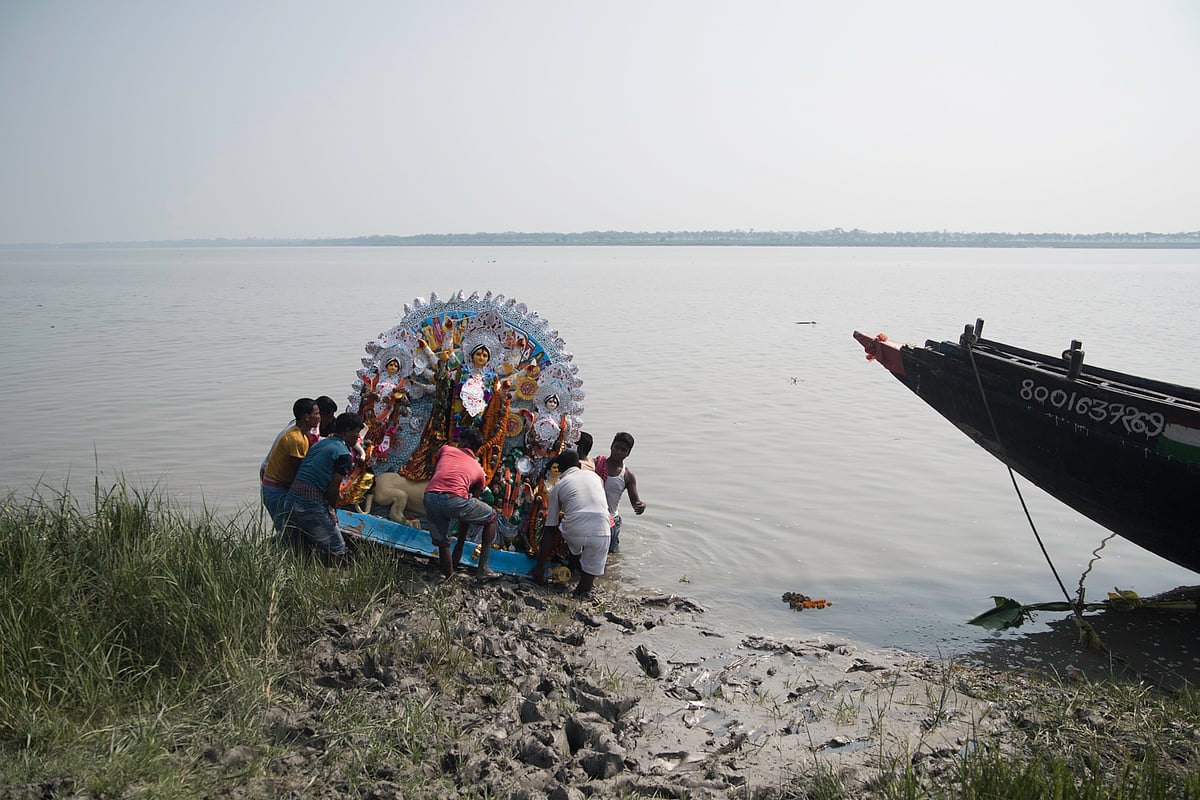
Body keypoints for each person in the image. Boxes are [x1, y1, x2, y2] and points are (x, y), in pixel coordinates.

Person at [281, 412, 364, 561]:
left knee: (295, 546)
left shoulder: (322, 443)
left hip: (291, 499)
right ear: (347, 431)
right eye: (356, 432)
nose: (358, 437)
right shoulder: (343, 454)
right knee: (338, 547)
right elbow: (333, 488)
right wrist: (332, 510)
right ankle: (336, 576)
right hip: (309, 504)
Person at [530, 450, 611, 597]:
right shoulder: (595, 477)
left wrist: (540, 566)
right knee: (587, 581)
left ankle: (575, 561)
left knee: (575, 545)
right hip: (603, 531)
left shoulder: (559, 486)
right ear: (579, 465)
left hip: (574, 531)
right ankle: (583, 586)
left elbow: (550, 529)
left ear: (559, 469)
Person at [422, 427, 498, 579]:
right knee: (492, 516)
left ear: (464, 442)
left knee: (442, 542)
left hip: (430, 497)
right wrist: (461, 544)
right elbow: (471, 502)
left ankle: (449, 577)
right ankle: (482, 569)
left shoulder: (445, 449)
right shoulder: (478, 470)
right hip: (454, 499)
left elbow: (436, 471)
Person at [261, 398, 320, 532]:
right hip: (276, 490)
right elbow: (298, 472)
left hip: (277, 487)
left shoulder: (301, 434)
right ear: (306, 417)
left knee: (291, 528)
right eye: (316, 414)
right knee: (287, 530)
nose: (318, 417)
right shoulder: (296, 439)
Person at [594, 432, 646, 553]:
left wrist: (642, 506)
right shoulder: (597, 463)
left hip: (612, 520)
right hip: (593, 516)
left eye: (623, 450)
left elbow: (636, 504)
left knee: (610, 555)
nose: (619, 452)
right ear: (611, 446)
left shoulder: (627, 476)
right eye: (617, 447)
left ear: (628, 453)